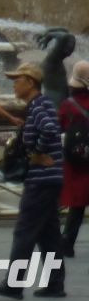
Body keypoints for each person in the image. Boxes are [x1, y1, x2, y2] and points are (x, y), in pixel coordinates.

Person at [0, 63, 67, 299]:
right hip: (50, 179)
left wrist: (37, 153)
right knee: (49, 235)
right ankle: (55, 284)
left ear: (31, 83)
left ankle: (13, 285)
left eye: (17, 79)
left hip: (41, 180)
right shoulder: (39, 105)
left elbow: (50, 128)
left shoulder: (38, 106)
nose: (14, 83)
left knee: (24, 232)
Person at [60, 60, 89, 257]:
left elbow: (59, 129)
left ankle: (67, 243)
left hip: (76, 162)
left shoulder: (66, 106)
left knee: (77, 206)